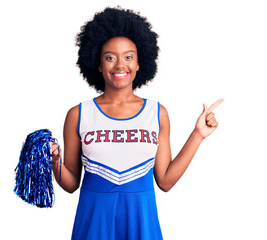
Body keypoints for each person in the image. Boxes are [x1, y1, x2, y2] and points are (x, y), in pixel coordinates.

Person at [51, 6, 223, 240]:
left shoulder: (157, 113)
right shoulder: (78, 114)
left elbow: (165, 180)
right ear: (98, 64)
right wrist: (55, 161)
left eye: (129, 57)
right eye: (110, 57)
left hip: (142, 221)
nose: (120, 65)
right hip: (94, 223)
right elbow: (71, 184)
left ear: (140, 63)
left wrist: (198, 134)